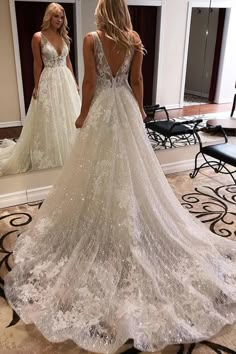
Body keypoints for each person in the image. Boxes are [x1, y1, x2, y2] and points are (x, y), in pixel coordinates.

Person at [4, 0, 236, 353]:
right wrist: (140, 109)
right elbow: (137, 79)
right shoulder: (132, 38)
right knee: (131, 170)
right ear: (123, 11)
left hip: (102, 109)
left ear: (102, 11)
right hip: (126, 106)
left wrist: (83, 115)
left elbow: (89, 82)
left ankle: (105, 220)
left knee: (97, 170)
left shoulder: (91, 39)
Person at [0, 2, 81, 176]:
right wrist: (36, 85)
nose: (59, 20)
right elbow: (37, 63)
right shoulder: (38, 37)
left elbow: (68, 62)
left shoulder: (64, 37)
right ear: (48, 17)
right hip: (49, 79)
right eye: (56, 16)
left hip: (65, 80)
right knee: (50, 117)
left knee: (68, 114)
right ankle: (51, 153)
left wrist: (74, 81)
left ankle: (71, 154)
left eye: (61, 17)